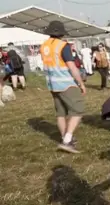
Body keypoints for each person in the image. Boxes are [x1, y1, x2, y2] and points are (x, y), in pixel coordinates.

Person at [39, 21, 86, 154]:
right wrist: (81, 83)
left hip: (52, 84)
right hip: (66, 83)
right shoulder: (63, 46)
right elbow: (72, 67)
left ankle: (65, 138)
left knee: (61, 113)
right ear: (61, 33)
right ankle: (67, 140)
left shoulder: (44, 46)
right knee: (78, 110)